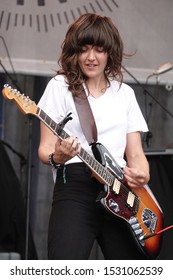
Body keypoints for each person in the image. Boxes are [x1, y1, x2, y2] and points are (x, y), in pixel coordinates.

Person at [38, 13, 150, 260]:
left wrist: (143, 172)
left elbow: (136, 155)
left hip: (121, 190)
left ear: (110, 52)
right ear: (74, 51)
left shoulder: (125, 93)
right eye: (84, 49)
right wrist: (59, 155)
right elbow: (45, 149)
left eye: (99, 49)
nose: (91, 57)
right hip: (76, 185)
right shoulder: (59, 86)